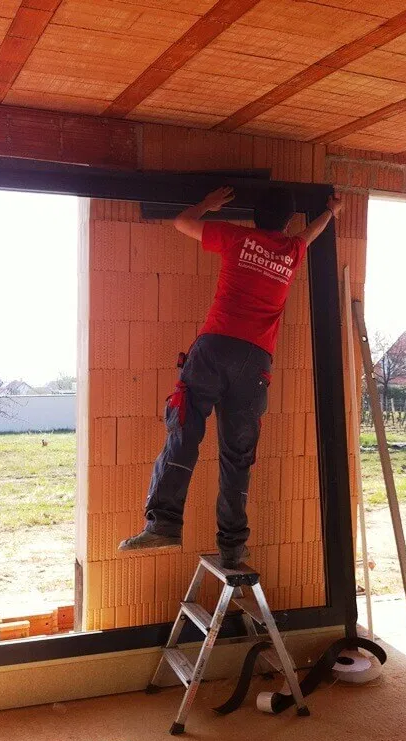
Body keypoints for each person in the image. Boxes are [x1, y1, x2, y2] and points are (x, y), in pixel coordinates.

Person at [119, 186, 342, 568]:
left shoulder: (237, 238)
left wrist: (207, 203)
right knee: (237, 456)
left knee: (185, 429)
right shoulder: (291, 250)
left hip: (215, 348)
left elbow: (182, 222)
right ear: (287, 221)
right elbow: (312, 232)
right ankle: (233, 546)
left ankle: (163, 525)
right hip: (255, 363)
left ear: (254, 216)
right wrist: (331, 212)